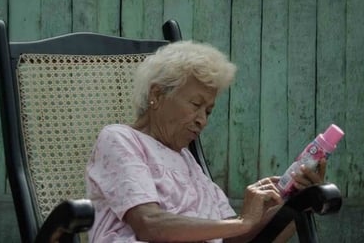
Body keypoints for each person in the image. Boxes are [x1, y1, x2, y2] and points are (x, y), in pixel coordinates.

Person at [86, 41, 325, 242]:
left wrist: (296, 199)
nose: (202, 121)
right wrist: (244, 221)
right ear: (157, 95)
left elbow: (234, 237)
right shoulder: (121, 139)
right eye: (196, 105)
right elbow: (148, 223)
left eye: (208, 111)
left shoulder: (187, 162)